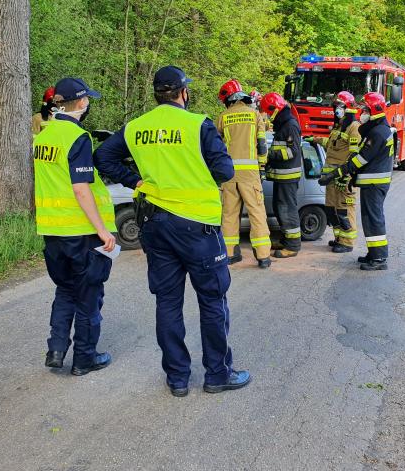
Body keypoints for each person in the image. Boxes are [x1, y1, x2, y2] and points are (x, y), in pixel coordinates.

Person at [95, 65, 251, 397]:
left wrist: (135, 181)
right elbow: (224, 170)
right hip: (199, 228)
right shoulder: (199, 125)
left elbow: (103, 157)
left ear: (156, 95)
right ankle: (217, 374)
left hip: (155, 226)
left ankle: (178, 379)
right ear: (184, 93)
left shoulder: (136, 128)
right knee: (212, 300)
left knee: (167, 302)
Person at [33, 77, 117, 376]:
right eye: (87, 99)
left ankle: (56, 349)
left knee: (65, 289)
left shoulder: (42, 137)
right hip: (80, 232)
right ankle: (85, 358)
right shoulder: (77, 137)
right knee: (88, 294)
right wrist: (103, 230)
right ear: (81, 102)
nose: (89, 103)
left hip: (52, 230)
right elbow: (81, 189)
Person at [320, 92, 393, 271]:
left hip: (375, 184)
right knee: (369, 219)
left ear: (374, 110)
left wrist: (341, 172)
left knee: (374, 220)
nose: (363, 112)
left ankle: (379, 258)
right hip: (372, 183)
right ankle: (373, 254)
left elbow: (361, 159)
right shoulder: (379, 130)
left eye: (366, 109)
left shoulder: (378, 133)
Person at [216, 80, 271, 268]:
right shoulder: (255, 115)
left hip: (229, 174)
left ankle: (230, 254)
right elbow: (262, 145)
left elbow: (216, 146)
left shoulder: (223, 116)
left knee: (229, 214)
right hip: (250, 173)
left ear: (228, 99)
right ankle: (263, 256)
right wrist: (262, 167)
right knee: (256, 212)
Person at [310, 91, 361, 253]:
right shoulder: (339, 126)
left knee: (344, 210)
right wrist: (317, 140)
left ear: (348, 108)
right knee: (332, 210)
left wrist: (346, 177)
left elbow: (354, 156)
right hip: (332, 178)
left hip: (343, 179)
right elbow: (333, 145)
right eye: (335, 106)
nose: (336, 109)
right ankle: (339, 237)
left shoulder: (354, 127)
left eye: (339, 106)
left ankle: (347, 242)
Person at [260, 92, 303, 258]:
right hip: (281, 176)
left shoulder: (290, 125)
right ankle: (286, 239)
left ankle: (292, 246)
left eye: (270, 112)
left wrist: (271, 156)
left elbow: (293, 151)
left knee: (287, 209)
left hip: (288, 177)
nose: (269, 116)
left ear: (276, 109)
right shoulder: (283, 124)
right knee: (280, 208)